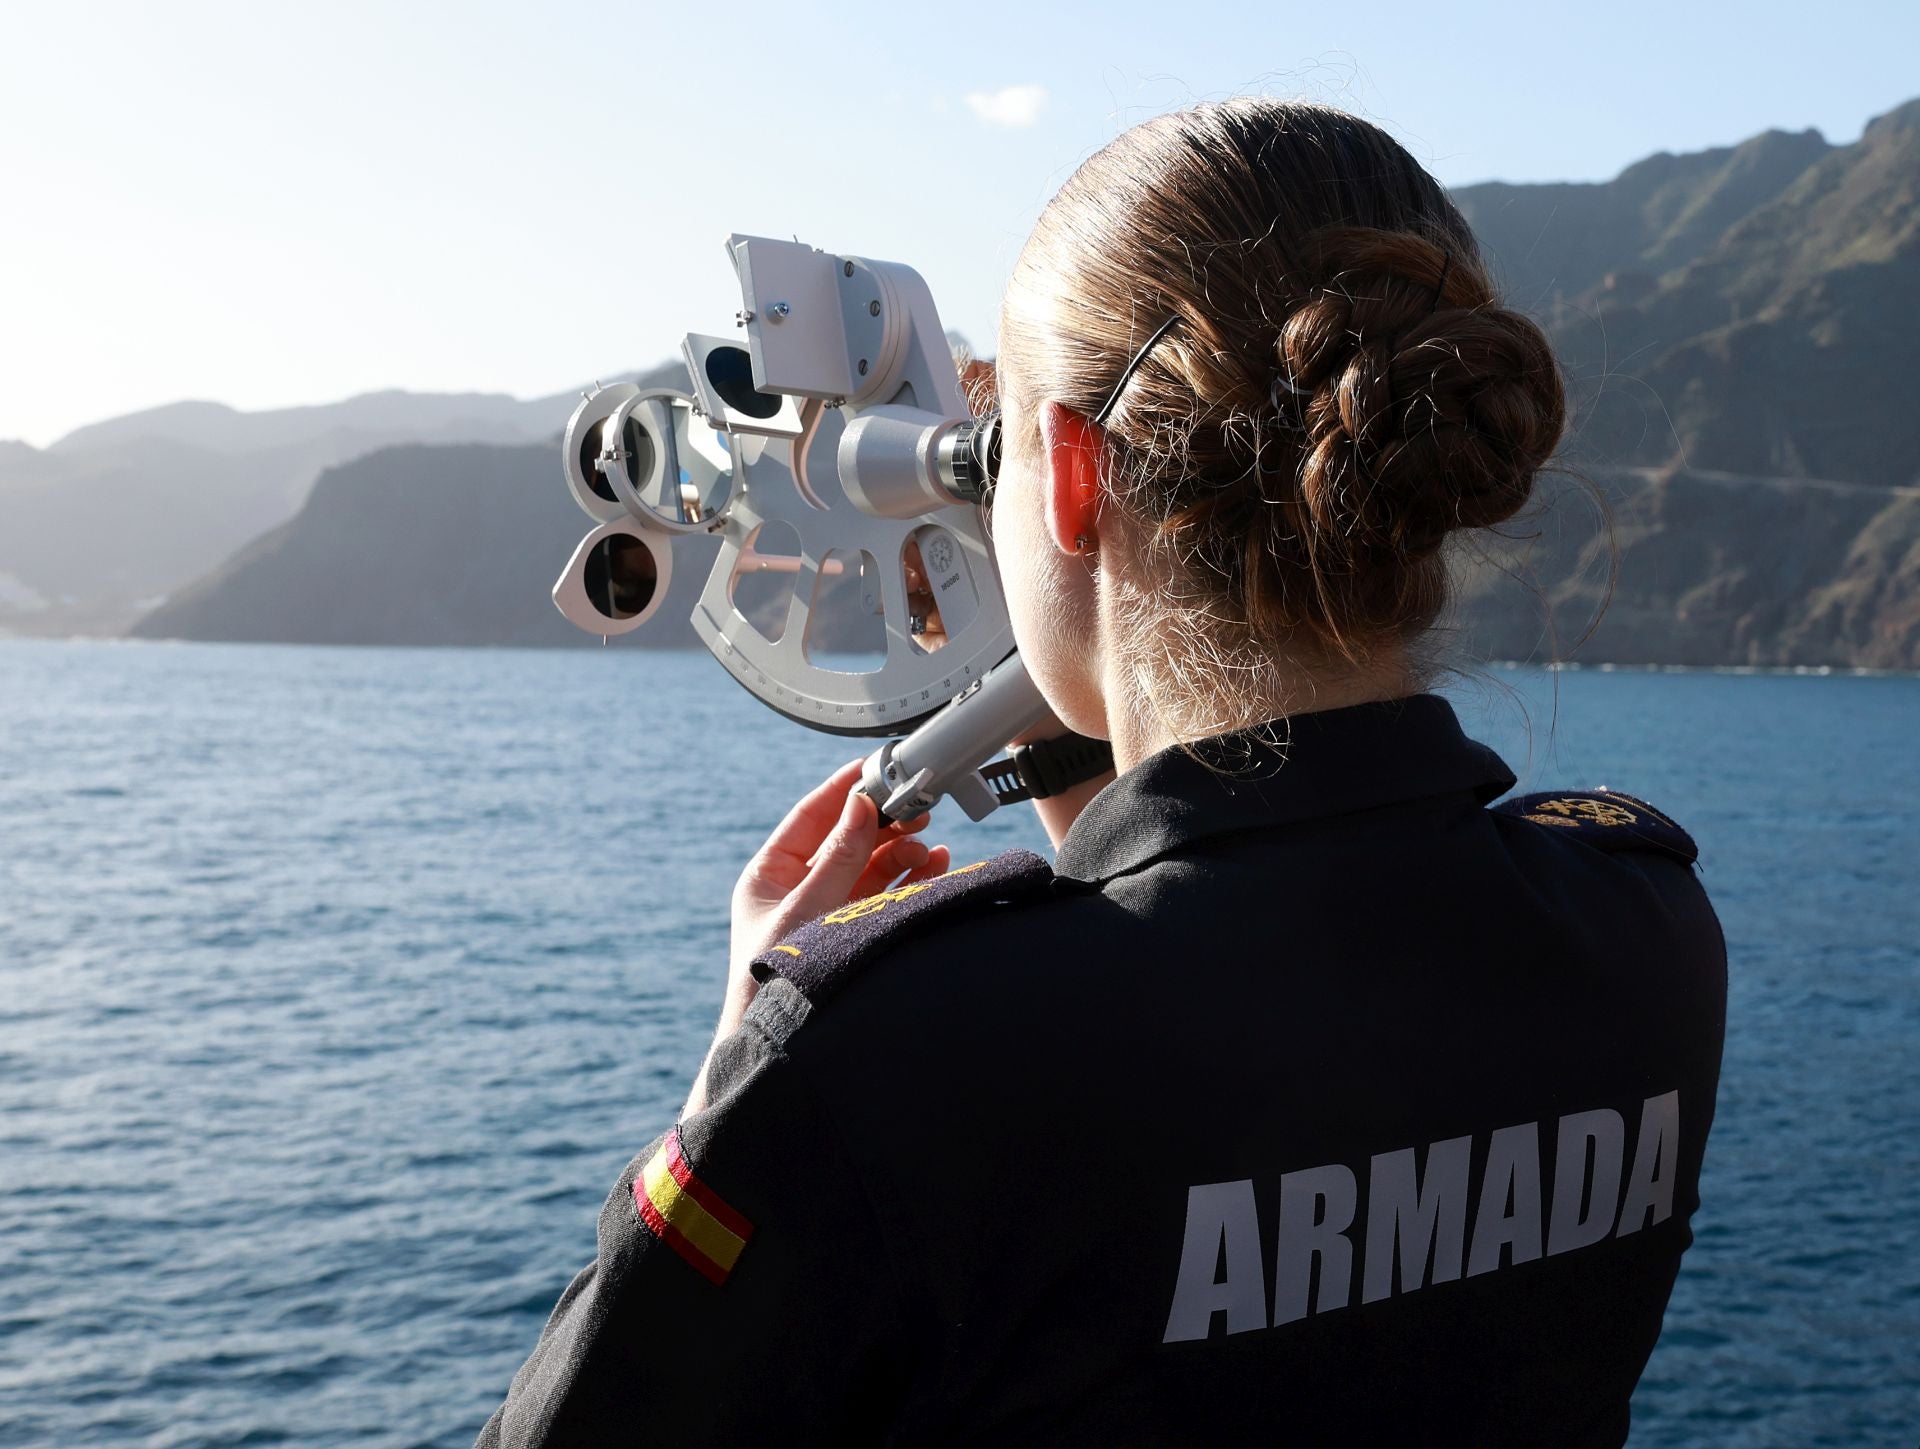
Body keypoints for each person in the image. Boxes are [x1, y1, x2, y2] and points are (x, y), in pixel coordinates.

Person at [477, 99, 1726, 1447]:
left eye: (997, 447)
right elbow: (1233, 967)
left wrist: (741, 1077)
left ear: (1070, 472)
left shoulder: (889, 1062)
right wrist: (1090, 671)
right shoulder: (1645, 933)